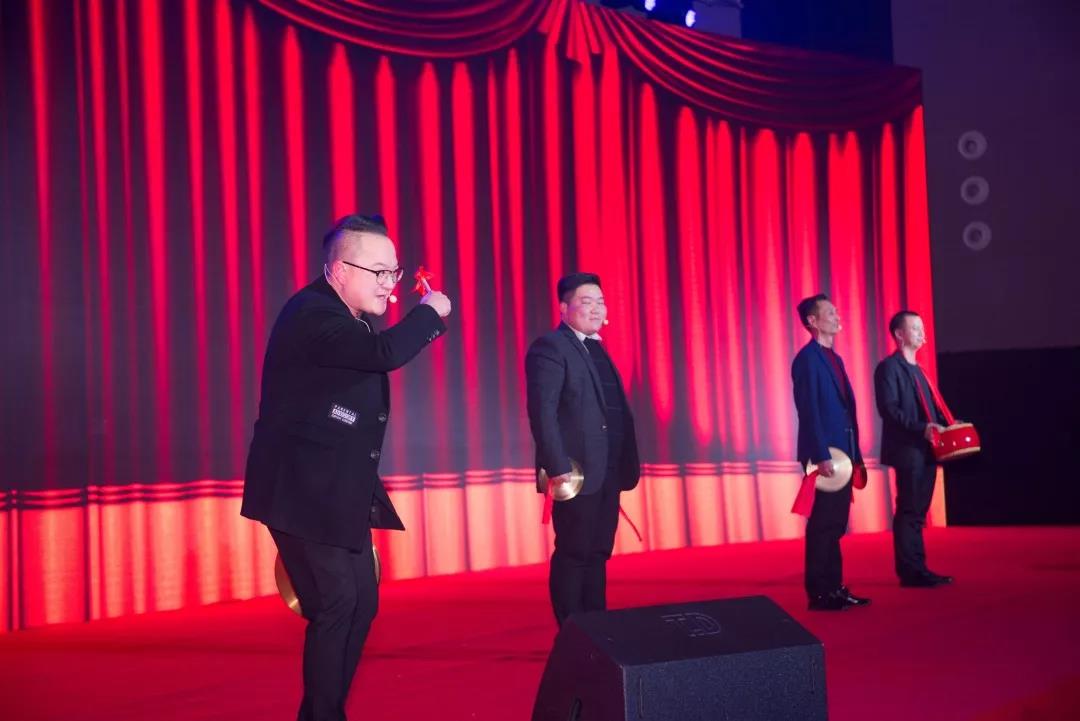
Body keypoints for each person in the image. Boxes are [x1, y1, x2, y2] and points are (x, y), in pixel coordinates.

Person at [241, 214, 451, 721]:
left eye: (393, 272)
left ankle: (323, 711)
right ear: (338, 270)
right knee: (337, 604)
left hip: (335, 487)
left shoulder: (346, 316)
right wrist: (430, 314)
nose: (388, 283)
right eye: (378, 272)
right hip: (301, 490)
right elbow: (384, 353)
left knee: (361, 602)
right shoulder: (313, 314)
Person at [525, 273, 640, 626]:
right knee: (574, 552)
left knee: (598, 552)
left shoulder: (597, 349)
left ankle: (597, 628)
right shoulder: (551, 347)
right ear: (564, 308)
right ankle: (572, 631)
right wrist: (556, 465)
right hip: (574, 472)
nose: (596, 309)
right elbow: (543, 412)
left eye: (600, 302)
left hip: (607, 470)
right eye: (586, 302)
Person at [791, 293, 871, 611]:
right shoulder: (807, 359)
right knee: (823, 523)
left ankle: (834, 588)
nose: (838, 317)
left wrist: (856, 455)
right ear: (812, 321)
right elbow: (808, 410)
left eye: (837, 311)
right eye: (830, 313)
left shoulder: (834, 358)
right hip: (825, 455)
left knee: (836, 523)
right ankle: (820, 593)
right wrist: (820, 454)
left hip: (844, 453)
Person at [874, 310, 954, 588]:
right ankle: (911, 571)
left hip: (927, 448)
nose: (922, 333)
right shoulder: (888, 368)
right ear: (899, 334)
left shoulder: (920, 370)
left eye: (922, 327)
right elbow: (889, 410)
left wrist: (949, 424)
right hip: (907, 449)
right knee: (909, 510)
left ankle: (918, 567)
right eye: (915, 328)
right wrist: (922, 428)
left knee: (919, 512)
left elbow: (930, 409)